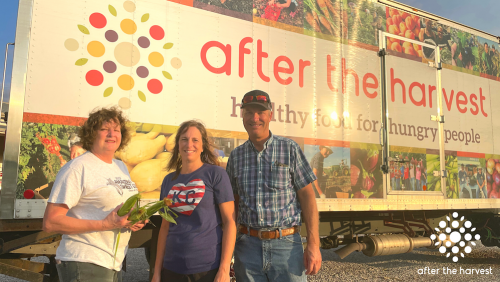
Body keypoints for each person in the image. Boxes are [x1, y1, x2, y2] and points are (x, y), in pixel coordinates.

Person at [226, 90, 321, 282]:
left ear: (270, 114)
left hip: (286, 247)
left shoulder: (289, 149)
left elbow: (307, 197)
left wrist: (313, 244)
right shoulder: (236, 157)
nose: (255, 118)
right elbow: (232, 207)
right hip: (247, 248)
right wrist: (227, 253)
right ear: (242, 116)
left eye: (260, 112)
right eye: (249, 112)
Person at [43, 107, 146, 282]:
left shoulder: (120, 167)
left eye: (117, 130)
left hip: (112, 261)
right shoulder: (78, 167)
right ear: (91, 134)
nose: (112, 134)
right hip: (85, 260)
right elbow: (51, 222)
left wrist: (134, 220)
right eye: (105, 129)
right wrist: (106, 224)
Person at [152, 120, 236, 282]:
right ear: (177, 145)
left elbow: (230, 222)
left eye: (195, 140)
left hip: (206, 269)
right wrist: (156, 272)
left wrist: (224, 269)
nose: (189, 144)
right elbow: (164, 228)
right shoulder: (168, 181)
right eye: (184, 139)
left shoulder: (216, 174)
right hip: (172, 268)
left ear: (203, 146)